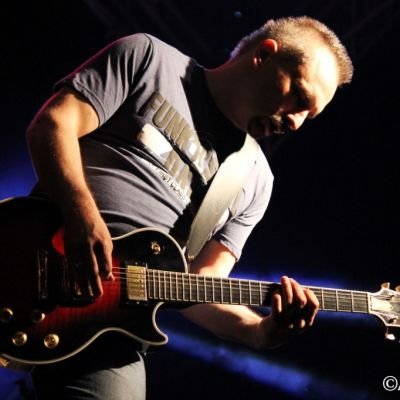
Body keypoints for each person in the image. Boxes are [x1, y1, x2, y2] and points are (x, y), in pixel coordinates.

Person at [23, 15, 353, 400]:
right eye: (298, 97)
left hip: (107, 333)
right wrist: (81, 214)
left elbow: (200, 288)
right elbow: (52, 125)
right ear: (264, 55)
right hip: (28, 255)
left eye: (308, 115)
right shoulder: (149, 58)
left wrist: (262, 332)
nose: (295, 123)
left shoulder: (255, 179)